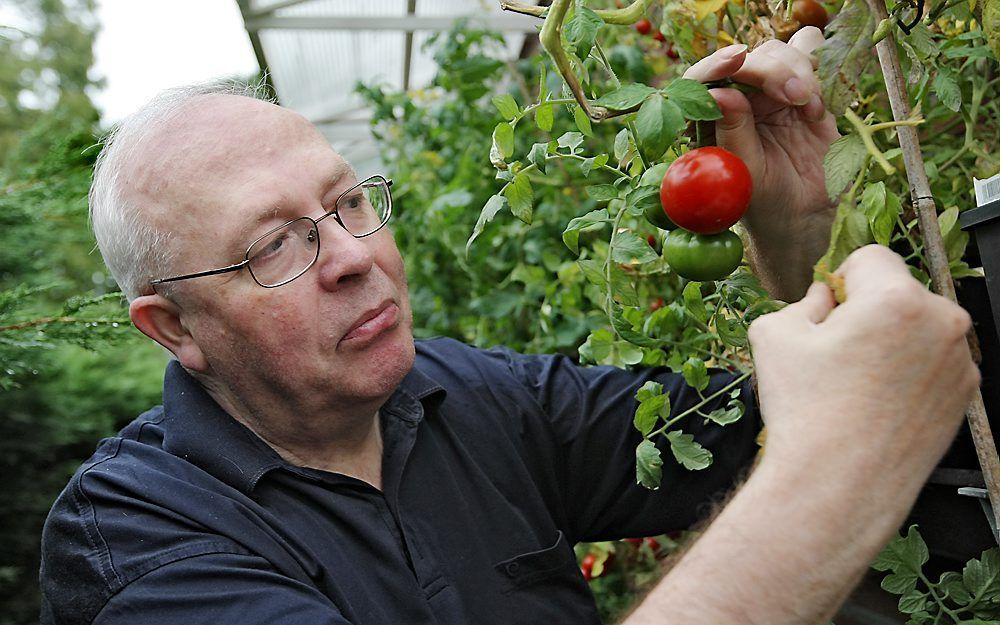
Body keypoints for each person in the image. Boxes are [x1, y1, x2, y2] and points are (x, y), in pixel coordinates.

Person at [40, 28, 978, 625]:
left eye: (350, 202)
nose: (354, 256)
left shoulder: (467, 395)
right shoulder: (138, 545)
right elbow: (829, 448)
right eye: (275, 246)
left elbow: (751, 427)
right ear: (173, 328)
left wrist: (803, 237)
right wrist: (825, 482)